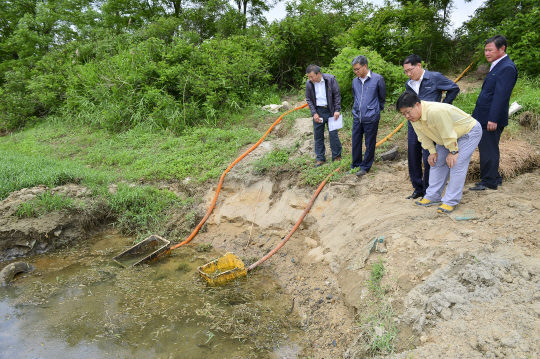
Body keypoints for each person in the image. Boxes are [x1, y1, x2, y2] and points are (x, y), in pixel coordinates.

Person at [396, 91, 482, 214]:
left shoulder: (435, 112)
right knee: (436, 162)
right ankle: (433, 196)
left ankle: (450, 201)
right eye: (403, 114)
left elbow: (448, 132)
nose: (407, 116)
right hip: (446, 137)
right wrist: (432, 152)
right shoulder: (414, 119)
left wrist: (453, 151)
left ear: (417, 105)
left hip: (468, 132)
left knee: (456, 164)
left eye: (408, 112)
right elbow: (422, 136)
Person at [403, 54, 460, 199]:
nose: (408, 74)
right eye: (406, 72)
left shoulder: (434, 77)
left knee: (429, 154)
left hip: (430, 124)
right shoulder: (408, 84)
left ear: (419, 66)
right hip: (414, 124)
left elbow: (453, 88)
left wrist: (443, 106)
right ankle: (418, 188)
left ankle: (429, 188)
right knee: (413, 154)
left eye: (410, 70)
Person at [469, 35, 518, 191]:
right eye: (485, 50)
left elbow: (501, 96)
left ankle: (488, 181)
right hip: (484, 115)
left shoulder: (507, 67)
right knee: (487, 147)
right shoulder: (498, 65)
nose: (487, 53)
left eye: (490, 50)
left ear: (502, 48)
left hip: (491, 118)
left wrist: (493, 119)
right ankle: (494, 177)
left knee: (488, 149)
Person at [350, 55, 386, 176]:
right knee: (355, 141)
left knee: (370, 142)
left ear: (365, 66)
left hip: (371, 117)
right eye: (354, 69)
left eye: (357, 69)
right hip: (357, 116)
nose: (356, 72)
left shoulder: (377, 79)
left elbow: (382, 98)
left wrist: (375, 110)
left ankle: (365, 166)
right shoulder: (355, 81)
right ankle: (356, 164)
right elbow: (355, 96)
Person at [305, 65, 343, 167]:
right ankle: (320, 158)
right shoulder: (309, 84)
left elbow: (336, 95)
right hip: (319, 111)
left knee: (333, 134)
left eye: (312, 76)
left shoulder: (330, 79)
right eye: (308, 77)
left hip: (331, 110)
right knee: (318, 135)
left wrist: (337, 110)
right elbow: (308, 98)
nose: (310, 79)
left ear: (318, 74)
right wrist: (314, 113)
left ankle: (337, 156)